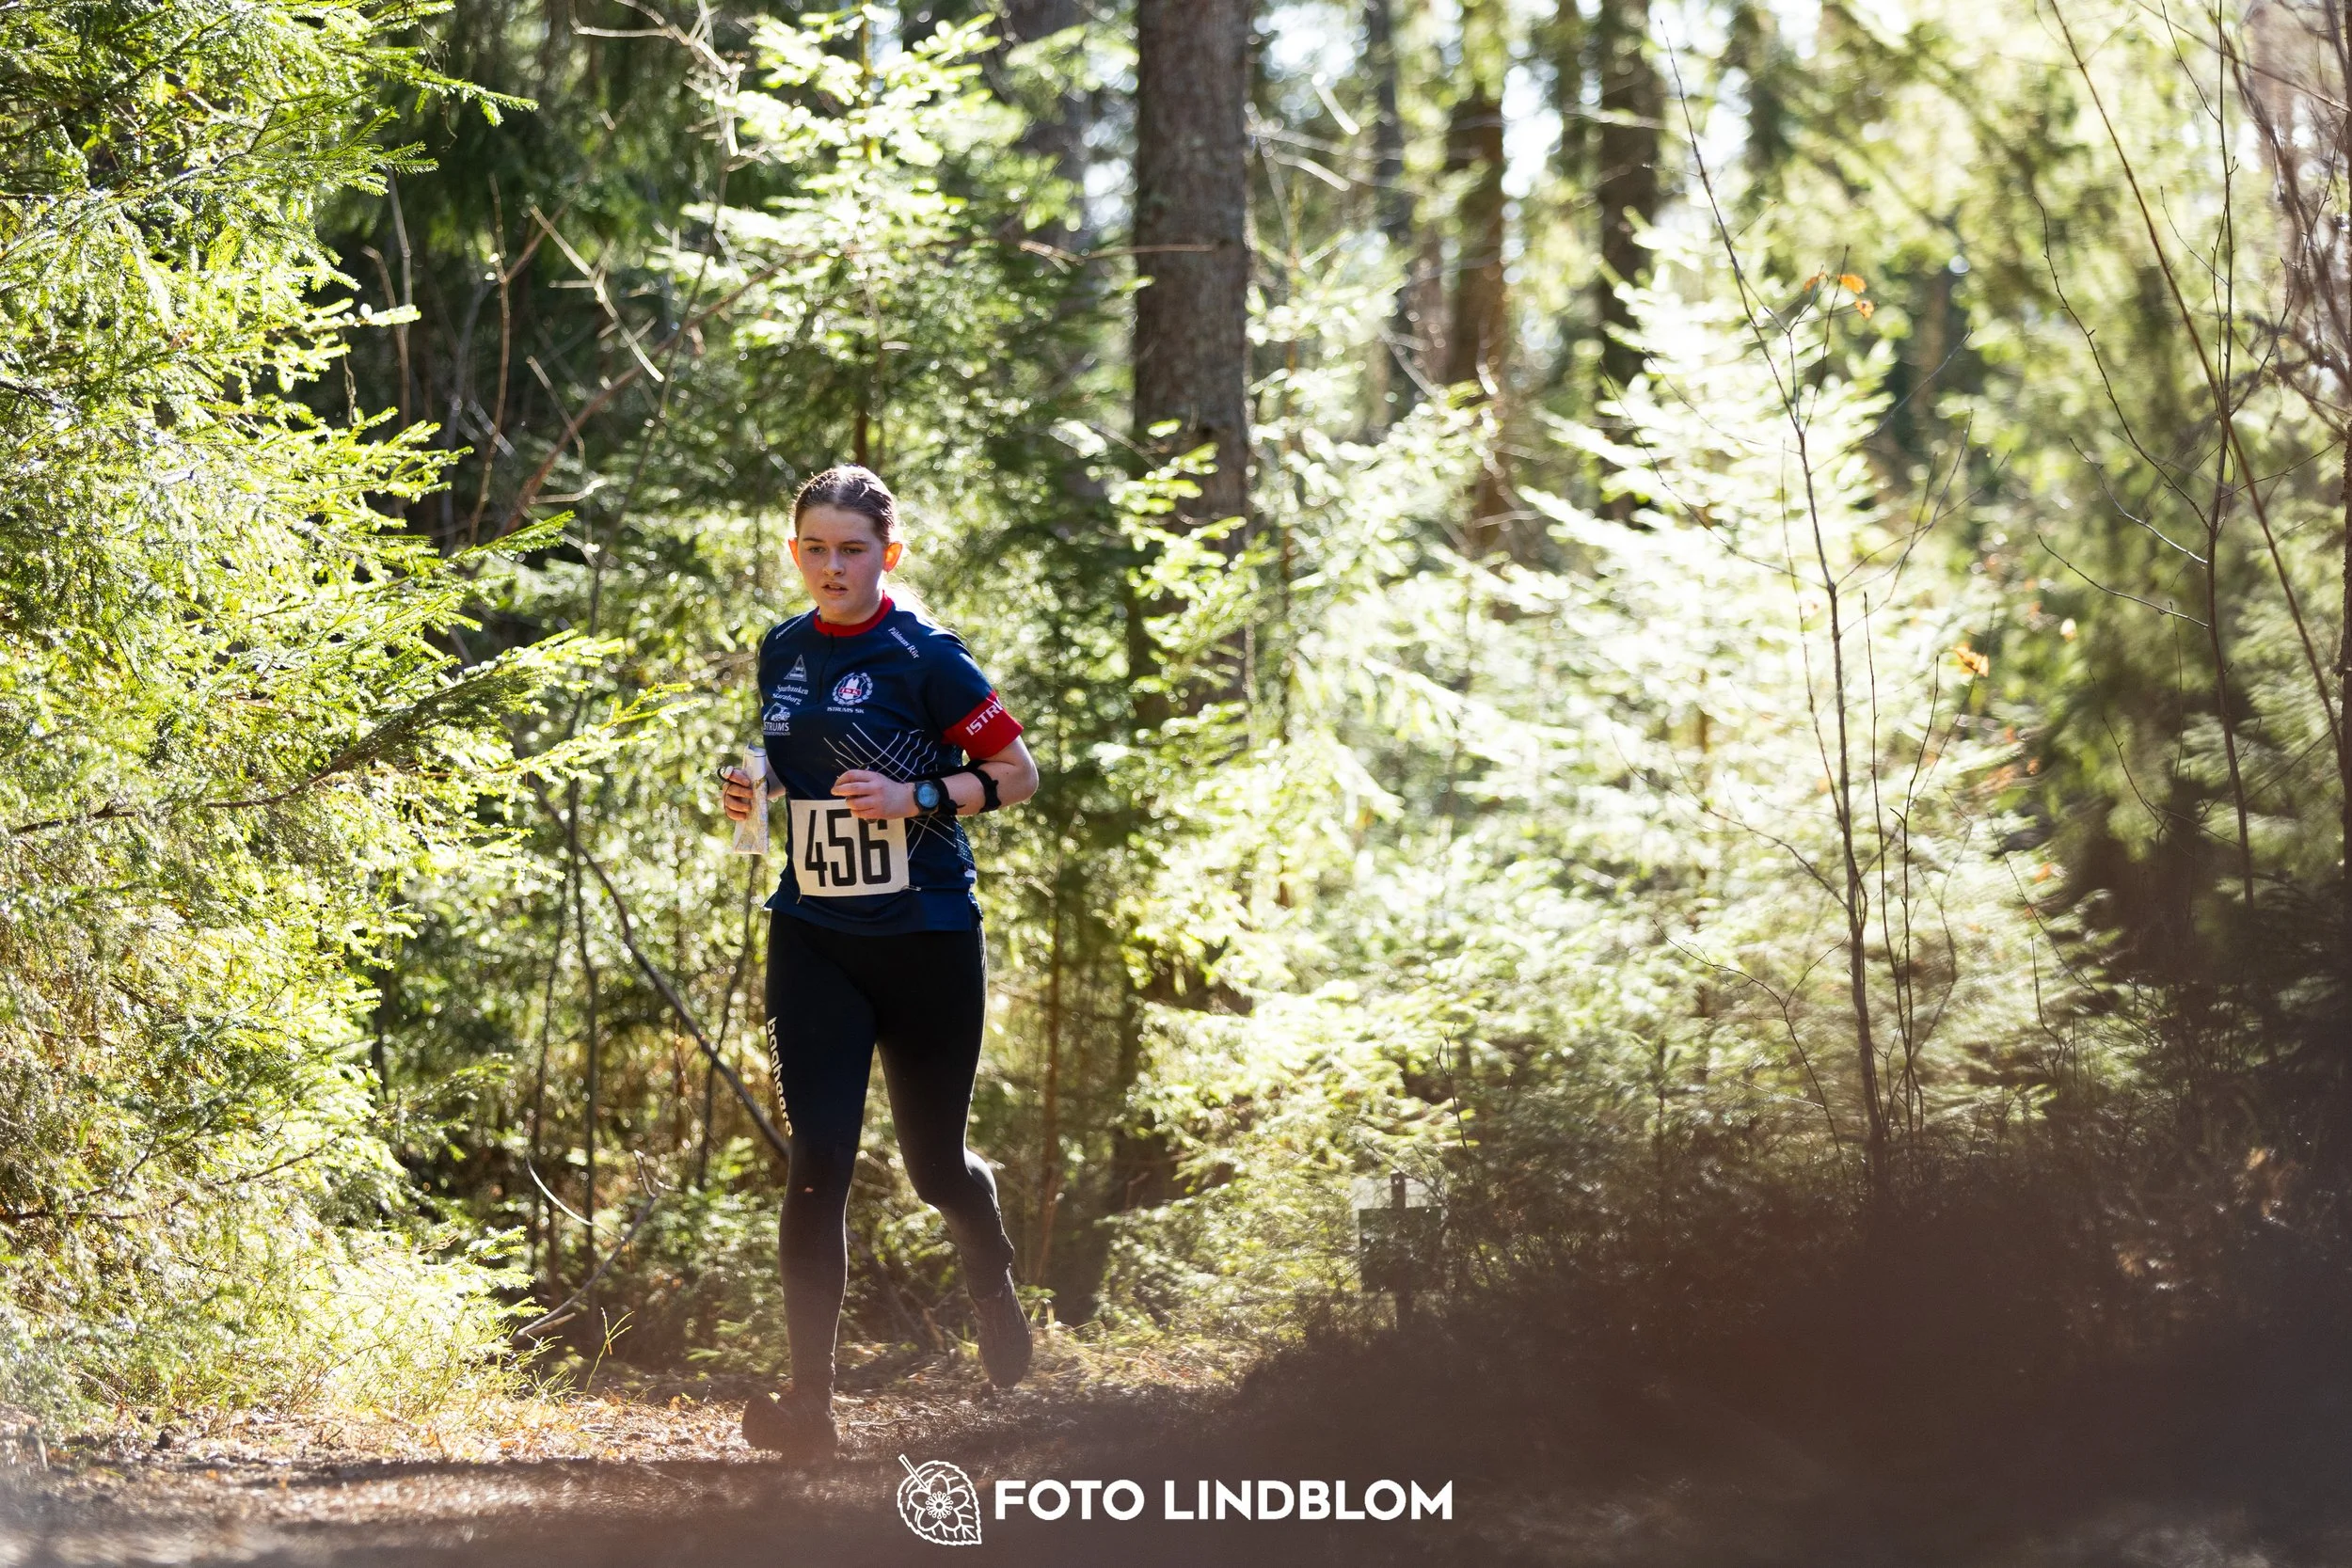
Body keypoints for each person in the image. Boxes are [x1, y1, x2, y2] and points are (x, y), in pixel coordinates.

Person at [718, 464, 1041, 1461]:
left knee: (935, 1165)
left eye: (851, 548)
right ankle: (807, 1404)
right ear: (793, 551)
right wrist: (751, 787)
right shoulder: (781, 647)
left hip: (927, 935)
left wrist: (920, 799)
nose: (831, 565)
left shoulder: (926, 654)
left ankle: (989, 1275)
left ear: (887, 555)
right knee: (817, 1165)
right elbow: (790, 752)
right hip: (813, 933)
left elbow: (1017, 775)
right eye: (813, 546)